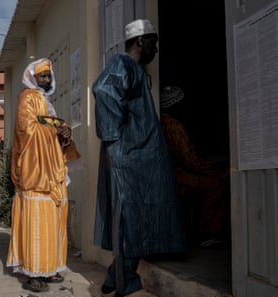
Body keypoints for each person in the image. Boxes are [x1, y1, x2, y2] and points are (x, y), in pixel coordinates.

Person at [92, 19, 187, 297]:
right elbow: (103, 90)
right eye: (153, 43)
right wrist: (118, 137)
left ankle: (113, 277)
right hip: (127, 156)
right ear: (141, 41)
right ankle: (126, 283)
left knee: (135, 216)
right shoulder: (123, 63)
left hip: (136, 156)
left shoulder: (133, 69)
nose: (156, 50)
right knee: (130, 218)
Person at [6, 58, 80, 293]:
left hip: (52, 169)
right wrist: (53, 129)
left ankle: (47, 268)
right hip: (35, 170)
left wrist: (64, 132)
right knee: (36, 221)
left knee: (52, 221)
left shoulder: (46, 101)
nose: (46, 79)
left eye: (48, 76)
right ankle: (31, 273)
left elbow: (50, 128)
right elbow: (26, 130)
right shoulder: (27, 98)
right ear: (32, 78)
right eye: (42, 76)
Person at [159, 86, 230, 247]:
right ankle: (208, 234)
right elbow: (192, 162)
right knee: (217, 184)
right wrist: (219, 171)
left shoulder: (162, 121)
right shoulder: (173, 126)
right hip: (174, 176)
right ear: (175, 105)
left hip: (168, 174)